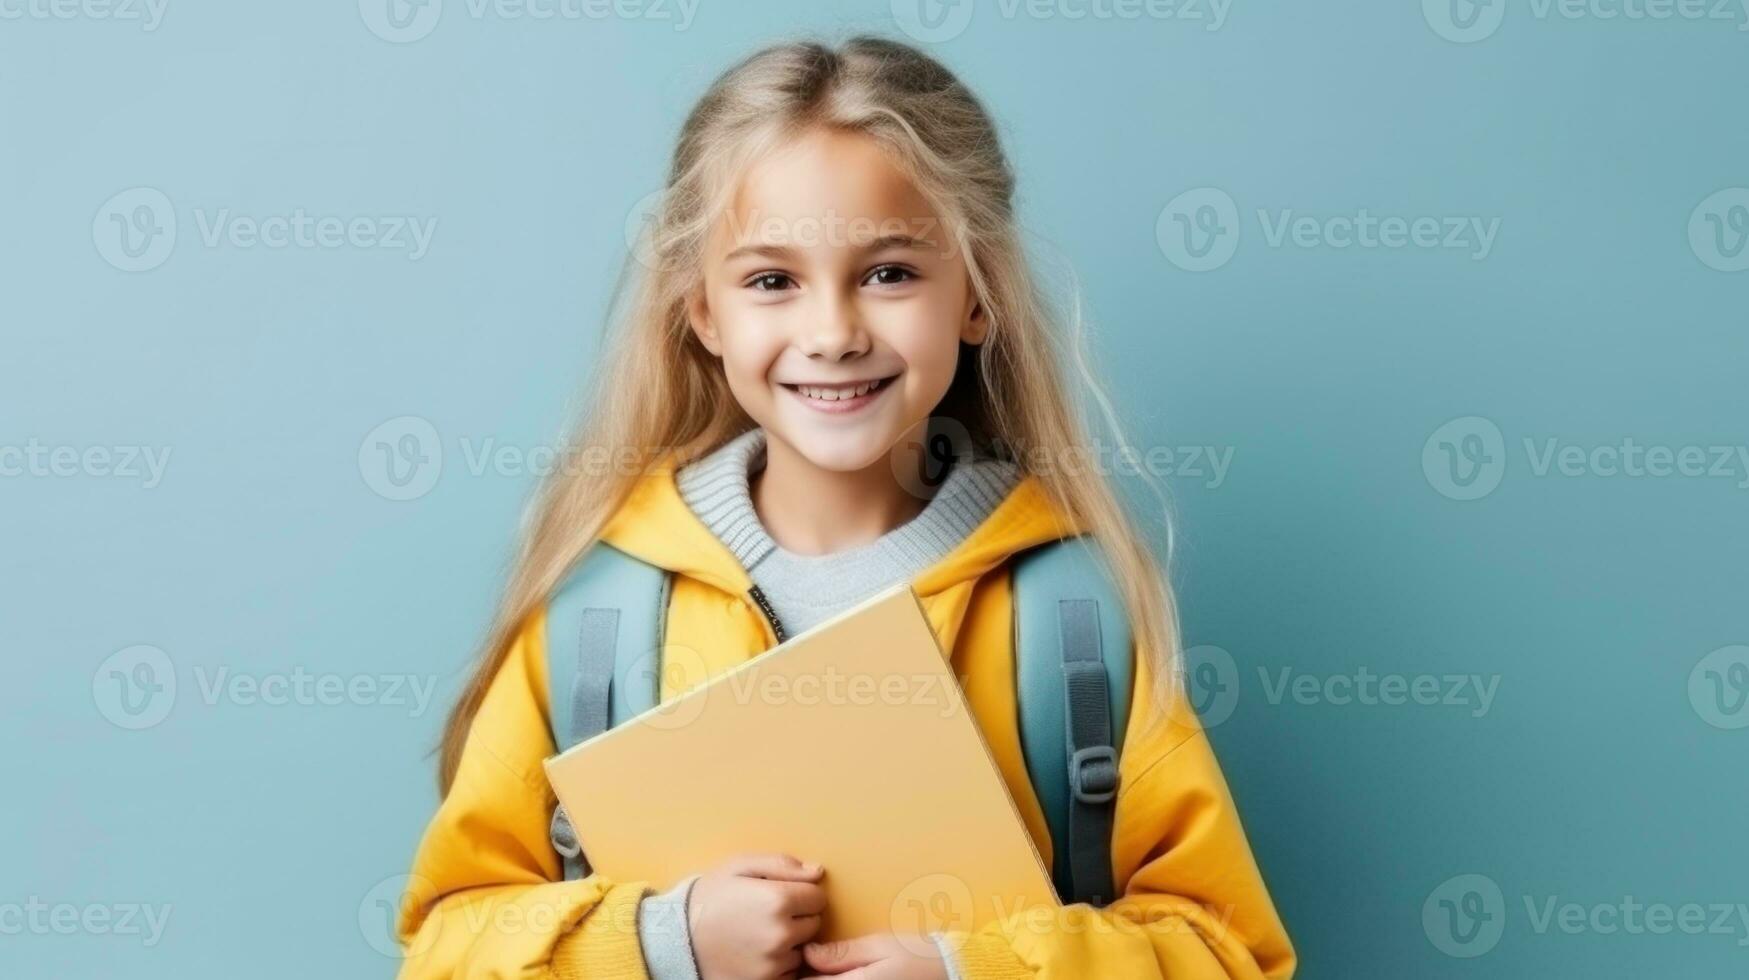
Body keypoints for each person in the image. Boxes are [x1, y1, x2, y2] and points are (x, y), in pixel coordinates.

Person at [396, 34, 1295, 980]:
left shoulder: (1072, 617)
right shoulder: (596, 620)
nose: (831, 334)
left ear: (977, 294)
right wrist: (664, 944)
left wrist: (966, 969)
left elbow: (1227, 952)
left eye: (890, 273)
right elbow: (447, 944)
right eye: (771, 281)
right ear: (703, 311)